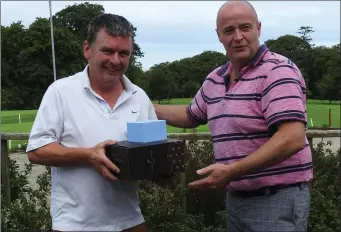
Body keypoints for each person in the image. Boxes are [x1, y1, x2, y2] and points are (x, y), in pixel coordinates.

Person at [154, 1, 312, 231]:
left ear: (258, 28)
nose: (237, 37)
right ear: (218, 35)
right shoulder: (216, 78)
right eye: (228, 30)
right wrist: (144, 104)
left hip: (277, 199)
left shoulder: (277, 71)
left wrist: (231, 172)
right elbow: (190, 115)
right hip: (238, 198)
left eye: (245, 27)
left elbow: (293, 137)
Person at [26, 14, 156, 232]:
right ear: (87, 49)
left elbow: (150, 154)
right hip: (74, 224)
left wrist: (162, 170)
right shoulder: (61, 91)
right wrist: (88, 156)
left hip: (130, 221)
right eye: (107, 51)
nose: (116, 60)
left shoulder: (139, 96)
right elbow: (36, 150)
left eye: (123, 53)